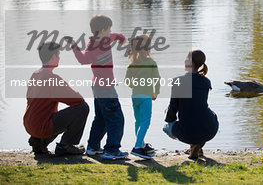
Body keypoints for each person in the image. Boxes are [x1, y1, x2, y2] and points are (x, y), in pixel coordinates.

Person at [66, 15, 128, 160]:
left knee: (101, 118)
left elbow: (115, 36)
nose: (110, 31)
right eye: (109, 29)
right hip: (104, 88)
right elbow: (83, 60)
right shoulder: (93, 46)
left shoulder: (107, 39)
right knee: (116, 118)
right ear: (101, 30)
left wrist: (120, 37)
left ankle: (93, 147)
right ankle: (112, 150)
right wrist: (75, 46)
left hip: (98, 87)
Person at [23, 42, 89, 156]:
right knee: (83, 108)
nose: (59, 58)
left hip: (29, 124)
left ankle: (39, 142)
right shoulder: (52, 79)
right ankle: (66, 146)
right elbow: (78, 100)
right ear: (53, 57)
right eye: (58, 55)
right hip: (41, 126)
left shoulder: (35, 74)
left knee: (54, 115)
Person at [163, 50, 219, 159]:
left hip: (188, 132)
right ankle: (197, 146)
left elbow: (173, 109)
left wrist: (171, 124)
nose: (184, 61)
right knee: (204, 115)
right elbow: (197, 104)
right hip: (209, 129)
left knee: (167, 127)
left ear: (191, 63)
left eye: (186, 59)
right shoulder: (206, 82)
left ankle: (194, 143)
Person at [125, 34, 161, 159]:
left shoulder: (132, 64)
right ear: (148, 48)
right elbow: (157, 79)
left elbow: (127, 81)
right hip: (146, 96)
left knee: (138, 121)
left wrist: (136, 86)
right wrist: (156, 92)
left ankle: (141, 144)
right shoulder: (151, 63)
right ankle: (137, 147)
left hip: (135, 96)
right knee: (146, 122)